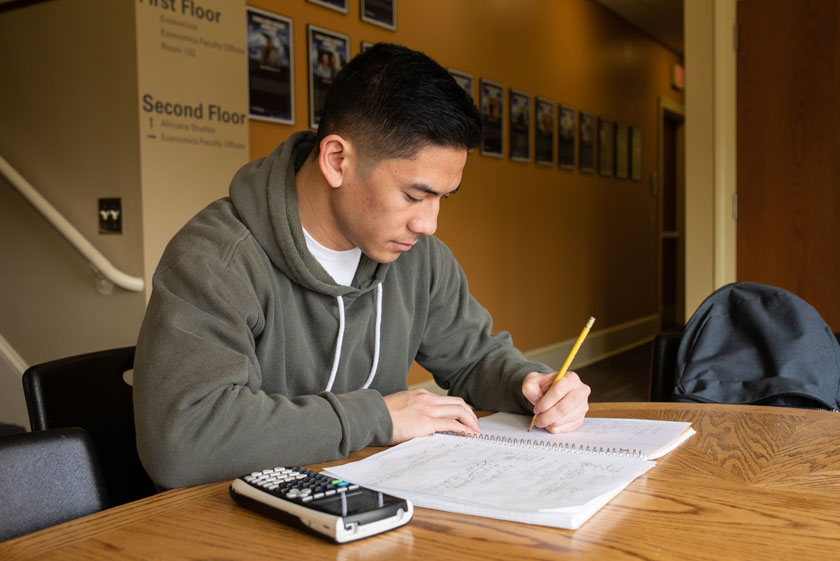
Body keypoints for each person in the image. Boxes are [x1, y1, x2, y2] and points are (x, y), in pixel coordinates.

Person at [134, 43, 590, 489]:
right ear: (337, 160)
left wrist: (528, 383)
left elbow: (475, 360)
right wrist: (376, 417)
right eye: (414, 195)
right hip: (230, 529)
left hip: (375, 511)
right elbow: (183, 441)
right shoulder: (215, 260)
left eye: (441, 198)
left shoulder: (418, 257)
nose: (428, 223)